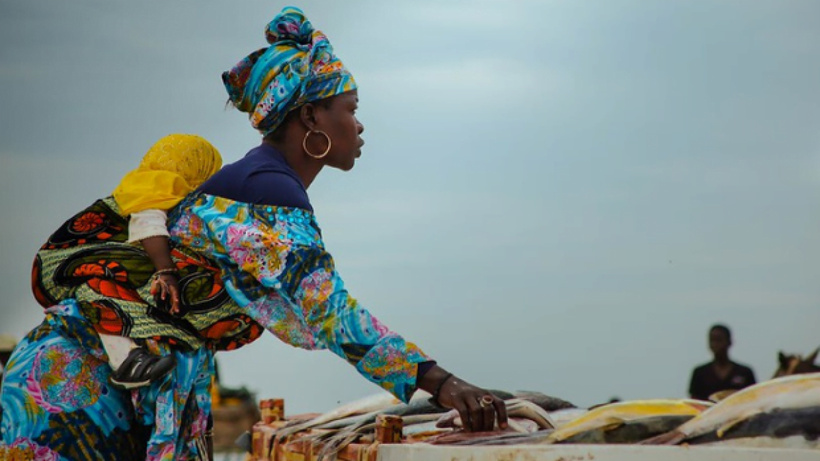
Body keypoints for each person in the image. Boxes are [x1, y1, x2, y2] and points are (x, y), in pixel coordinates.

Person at [1, 6, 507, 460]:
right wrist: (442, 383)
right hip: (74, 379)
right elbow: (329, 311)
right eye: (350, 109)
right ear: (311, 116)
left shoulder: (263, 183)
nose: (360, 125)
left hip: (105, 378)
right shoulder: (266, 188)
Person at [102, 133, 222, 389]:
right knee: (102, 298)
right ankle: (125, 362)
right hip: (99, 267)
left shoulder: (148, 188)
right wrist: (166, 271)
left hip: (116, 267)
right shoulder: (154, 186)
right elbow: (148, 223)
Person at [688, 324, 756, 401]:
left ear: (729, 342)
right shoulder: (700, 373)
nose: (715, 344)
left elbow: (754, 399)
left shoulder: (744, 372)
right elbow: (694, 402)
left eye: (719, 340)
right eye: (712, 340)